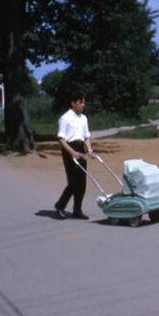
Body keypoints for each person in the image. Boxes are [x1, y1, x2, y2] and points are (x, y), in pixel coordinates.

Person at [54, 89, 95, 220]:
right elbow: (61, 140)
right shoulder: (65, 118)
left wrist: (89, 150)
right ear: (73, 103)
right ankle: (60, 205)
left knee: (82, 183)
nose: (83, 104)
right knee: (73, 183)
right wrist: (72, 153)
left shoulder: (84, 118)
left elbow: (86, 137)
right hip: (69, 149)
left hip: (80, 149)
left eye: (84, 102)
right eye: (81, 102)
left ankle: (77, 210)